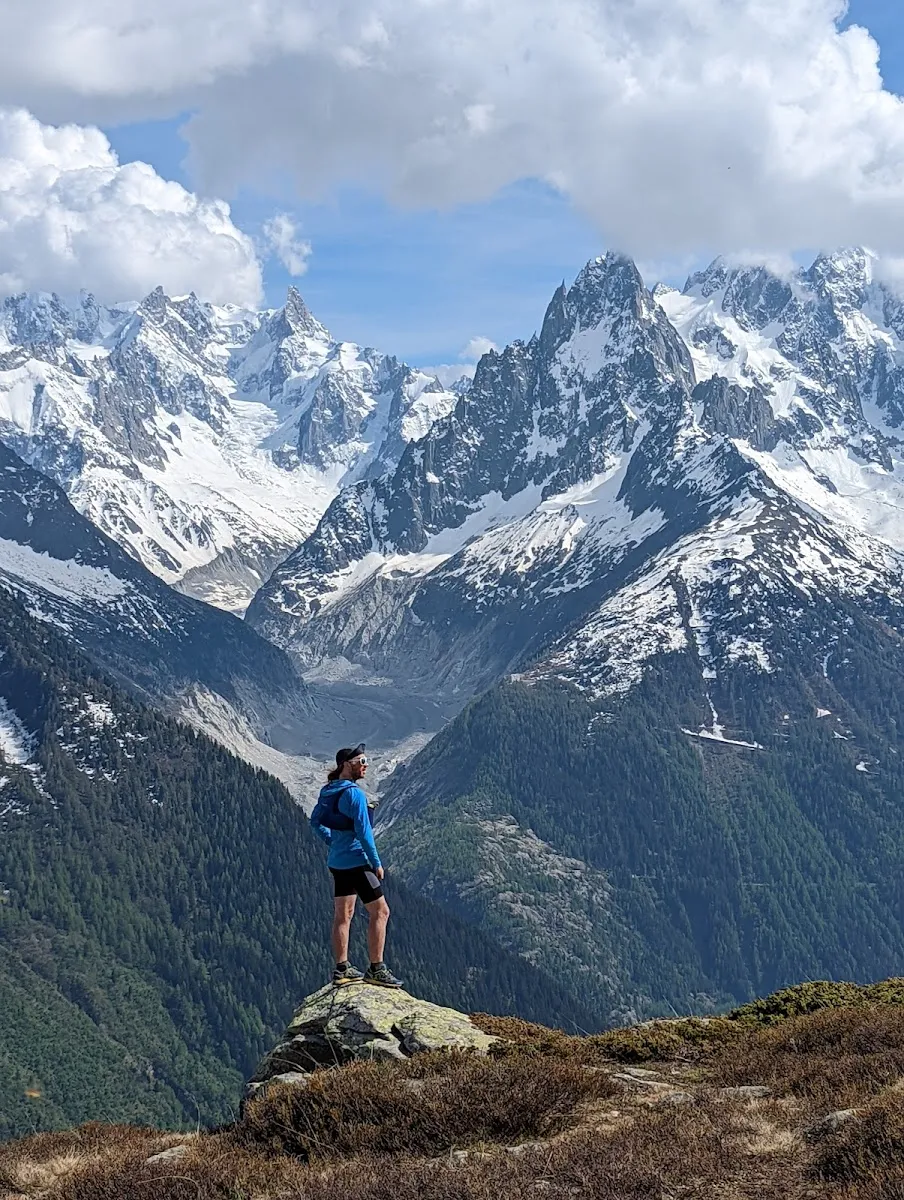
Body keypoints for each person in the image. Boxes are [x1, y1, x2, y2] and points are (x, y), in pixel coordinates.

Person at [310, 743, 403, 988]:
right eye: (361, 762)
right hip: (358, 862)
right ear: (347, 765)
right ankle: (376, 968)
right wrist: (376, 863)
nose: (366, 766)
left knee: (343, 915)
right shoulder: (354, 794)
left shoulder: (328, 791)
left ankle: (342, 968)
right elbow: (364, 833)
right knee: (381, 912)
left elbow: (315, 821)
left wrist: (331, 841)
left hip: (338, 862)